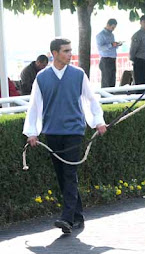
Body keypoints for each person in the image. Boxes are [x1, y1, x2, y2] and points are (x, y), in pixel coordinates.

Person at [23, 38, 107, 234]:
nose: (70, 54)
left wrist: (98, 122)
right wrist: (32, 132)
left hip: (74, 132)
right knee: (62, 176)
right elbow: (34, 106)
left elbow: (91, 100)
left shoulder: (78, 75)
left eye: (70, 51)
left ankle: (67, 219)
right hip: (52, 133)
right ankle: (77, 216)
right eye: (66, 51)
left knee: (69, 174)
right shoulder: (42, 78)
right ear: (54, 53)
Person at [96, 18, 122, 88]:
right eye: (112, 27)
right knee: (106, 81)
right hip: (105, 60)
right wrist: (111, 45)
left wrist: (116, 45)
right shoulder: (100, 35)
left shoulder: (112, 35)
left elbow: (112, 46)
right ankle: (104, 98)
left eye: (114, 28)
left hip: (112, 59)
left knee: (112, 80)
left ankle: (111, 97)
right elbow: (100, 48)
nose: (113, 29)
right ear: (108, 25)